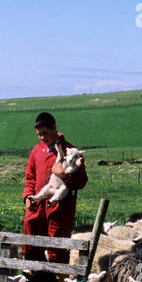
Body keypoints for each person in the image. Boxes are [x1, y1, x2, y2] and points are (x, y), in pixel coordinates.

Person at [22, 112, 87, 264]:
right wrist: (27, 197)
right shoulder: (36, 151)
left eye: (45, 133)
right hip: (37, 206)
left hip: (60, 207)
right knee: (31, 242)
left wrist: (64, 175)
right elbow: (30, 178)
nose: (43, 138)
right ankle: (34, 279)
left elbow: (82, 181)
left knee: (57, 246)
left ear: (54, 128)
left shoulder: (71, 151)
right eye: (39, 135)